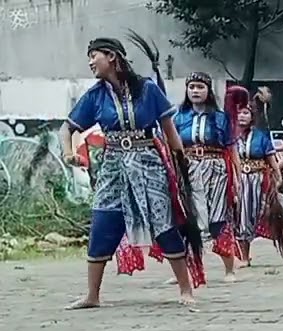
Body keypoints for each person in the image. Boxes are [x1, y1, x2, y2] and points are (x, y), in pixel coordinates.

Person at [61, 37, 198, 309]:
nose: (90, 62)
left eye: (94, 56)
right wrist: (68, 153)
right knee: (103, 222)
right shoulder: (96, 95)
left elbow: (169, 130)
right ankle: (92, 295)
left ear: (112, 57)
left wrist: (181, 164)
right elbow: (67, 128)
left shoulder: (147, 89)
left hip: (149, 163)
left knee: (164, 223)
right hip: (113, 165)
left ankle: (186, 290)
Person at [175, 71, 242, 281]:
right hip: (188, 170)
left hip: (216, 170)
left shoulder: (221, 118)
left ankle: (229, 268)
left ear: (208, 91)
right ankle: (187, 270)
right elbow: (172, 148)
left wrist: (237, 180)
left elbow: (232, 151)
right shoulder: (179, 117)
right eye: (192, 87)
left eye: (200, 87)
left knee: (218, 218)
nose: (195, 91)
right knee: (188, 220)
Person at [225, 85, 283, 266]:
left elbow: (271, 160)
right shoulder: (229, 137)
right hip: (240, 182)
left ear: (252, 116)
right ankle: (245, 257)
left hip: (259, 181)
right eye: (239, 113)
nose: (242, 116)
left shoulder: (261, 137)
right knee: (241, 218)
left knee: (268, 216)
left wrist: (277, 178)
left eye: (246, 113)